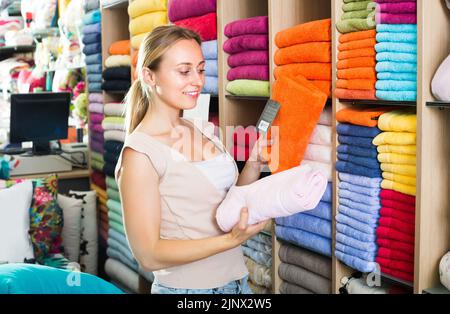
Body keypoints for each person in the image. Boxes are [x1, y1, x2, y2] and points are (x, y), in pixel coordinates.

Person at [115, 25, 273, 294]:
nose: (198, 81)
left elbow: (229, 200)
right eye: (184, 71)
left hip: (238, 284)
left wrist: (255, 164)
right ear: (149, 76)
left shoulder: (200, 128)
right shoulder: (140, 153)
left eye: (200, 69)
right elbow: (149, 254)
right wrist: (230, 240)